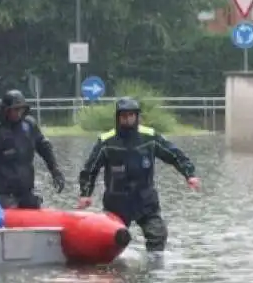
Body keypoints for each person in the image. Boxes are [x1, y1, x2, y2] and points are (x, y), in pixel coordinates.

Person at [77, 97, 201, 252]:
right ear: (118, 118)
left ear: (137, 117)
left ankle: (152, 270)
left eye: (131, 115)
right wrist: (85, 194)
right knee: (110, 240)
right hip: (116, 201)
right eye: (123, 116)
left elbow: (174, 155)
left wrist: (190, 175)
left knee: (158, 235)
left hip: (145, 199)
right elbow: (90, 169)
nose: (127, 119)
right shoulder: (106, 141)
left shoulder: (150, 137)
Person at [0, 89, 66, 208]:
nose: (18, 113)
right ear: (6, 110)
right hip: (4, 195)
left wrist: (55, 171)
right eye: (15, 109)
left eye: (21, 109)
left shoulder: (30, 125)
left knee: (34, 206)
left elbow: (44, 148)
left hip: (26, 192)